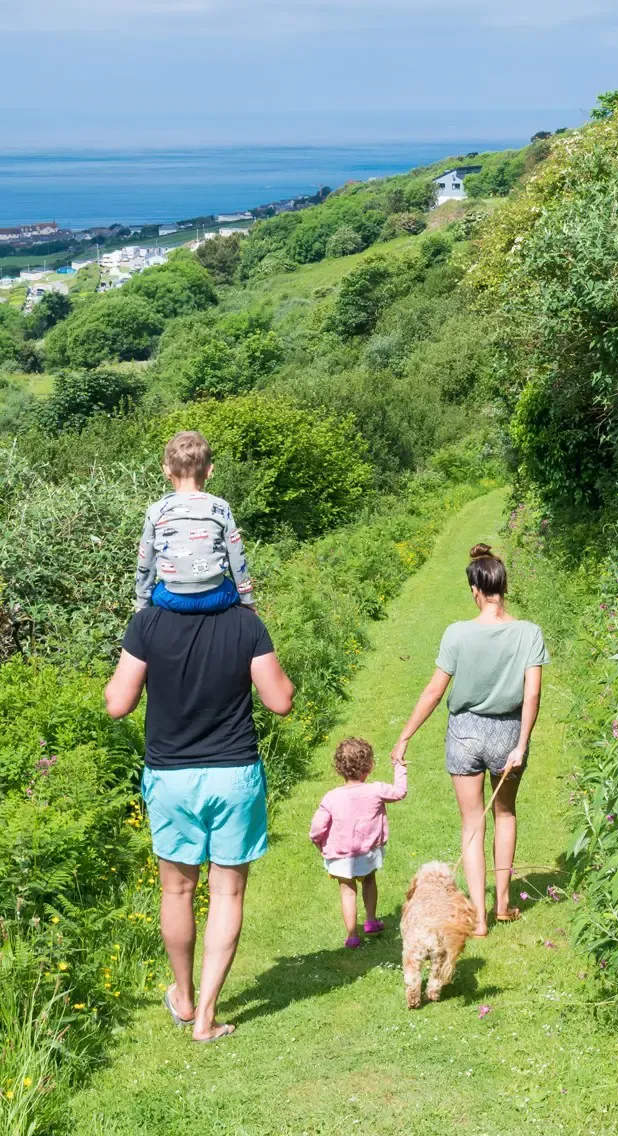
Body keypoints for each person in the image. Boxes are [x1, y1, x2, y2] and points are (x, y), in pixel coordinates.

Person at [104, 588, 294, 1044]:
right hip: (233, 775)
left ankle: (184, 999)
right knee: (226, 893)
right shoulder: (245, 623)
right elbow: (280, 700)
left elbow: (117, 704)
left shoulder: (147, 624)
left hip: (171, 778)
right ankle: (207, 1016)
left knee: (177, 890)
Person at [390, 543, 547, 936]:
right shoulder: (529, 633)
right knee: (505, 813)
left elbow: (434, 691)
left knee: (471, 822)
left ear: (476, 590)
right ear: (503, 586)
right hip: (508, 732)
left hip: (465, 733)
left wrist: (405, 736)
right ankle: (504, 904)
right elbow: (532, 694)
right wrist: (522, 743)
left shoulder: (457, 633)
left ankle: (478, 917)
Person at [134, 431, 254, 614]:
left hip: (172, 598)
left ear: (166, 471)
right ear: (209, 471)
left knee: (159, 590)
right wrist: (247, 601)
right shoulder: (221, 507)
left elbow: (146, 561)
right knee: (230, 589)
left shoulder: (156, 510)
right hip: (216, 596)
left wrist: (142, 606)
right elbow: (236, 556)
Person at [308, 736, 408, 948]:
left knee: (347, 890)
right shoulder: (376, 790)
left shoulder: (331, 797)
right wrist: (399, 766)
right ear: (370, 766)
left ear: (338, 768)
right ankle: (370, 921)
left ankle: (352, 935)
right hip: (368, 851)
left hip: (340, 854)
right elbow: (400, 792)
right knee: (369, 881)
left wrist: (319, 843)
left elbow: (317, 828)